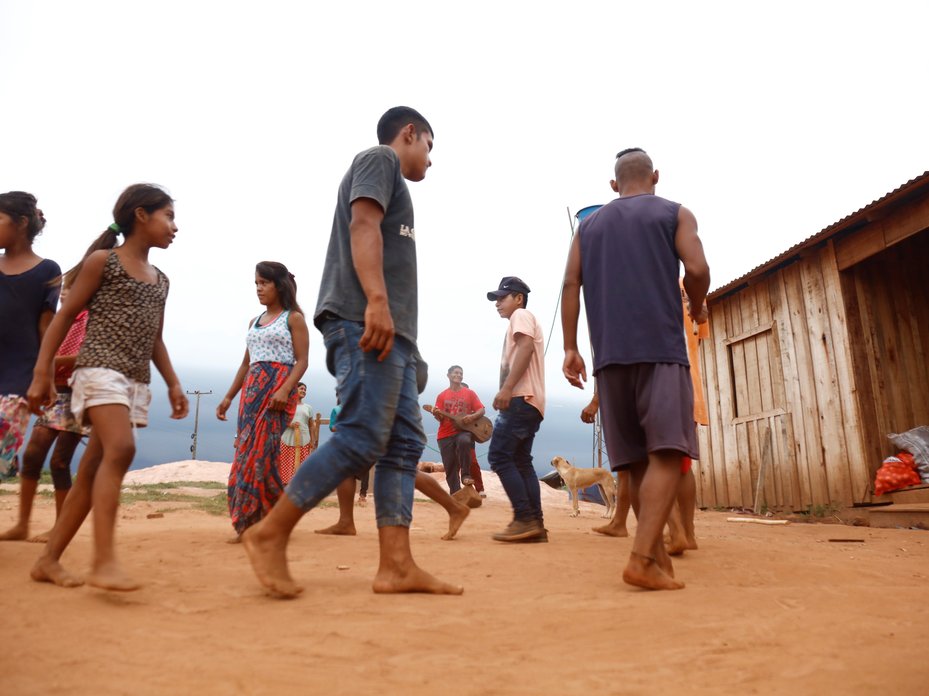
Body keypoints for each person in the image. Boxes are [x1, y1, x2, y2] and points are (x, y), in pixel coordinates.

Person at [240, 106, 462, 598]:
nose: (430, 159)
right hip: (364, 323)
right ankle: (270, 533)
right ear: (410, 134)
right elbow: (363, 225)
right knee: (361, 437)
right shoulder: (379, 158)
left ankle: (397, 565)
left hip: (393, 335)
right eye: (429, 145)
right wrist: (377, 303)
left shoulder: (394, 181)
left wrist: (408, 341)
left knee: (403, 447)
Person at [27, 183, 189, 591]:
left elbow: (155, 339)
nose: (174, 226)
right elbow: (63, 319)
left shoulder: (161, 279)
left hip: (134, 380)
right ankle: (104, 560)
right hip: (98, 370)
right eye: (168, 215)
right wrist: (42, 372)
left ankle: (47, 561)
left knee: (93, 470)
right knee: (122, 448)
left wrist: (173, 384)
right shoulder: (104, 262)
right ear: (140, 215)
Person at [561, 148, 710, 591]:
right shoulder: (674, 213)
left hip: (609, 358)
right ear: (656, 176)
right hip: (661, 350)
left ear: (613, 186)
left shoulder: (588, 226)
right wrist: (697, 307)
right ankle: (643, 558)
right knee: (667, 452)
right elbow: (698, 268)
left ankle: (657, 557)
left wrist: (571, 348)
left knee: (633, 463)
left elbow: (571, 283)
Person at [217, 262, 309, 540]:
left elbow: (302, 361)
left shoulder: (293, 318)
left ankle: (267, 522)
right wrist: (228, 397)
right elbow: (246, 364)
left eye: (264, 283)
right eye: (256, 283)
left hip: (278, 393)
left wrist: (284, 390)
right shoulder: (254, 322)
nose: (259, 288)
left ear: (278, 285)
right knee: (245, 455)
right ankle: (249, 521)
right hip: (252, 395)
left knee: (263, 456)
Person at [0, 277, 89, 543]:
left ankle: (60, 529)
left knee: (59, 462)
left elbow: (82, 357)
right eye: (63, 290)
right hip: (55, 392)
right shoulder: (61, 320)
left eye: (71, 289)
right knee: (33, 455)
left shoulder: (88, 319)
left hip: (77, 394)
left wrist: (46, 360)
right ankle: (22, 524)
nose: (64, 294)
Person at [0, 192, 60, 479]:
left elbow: (46, 329)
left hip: (17, 383)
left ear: (21, 223)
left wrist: (45, 378)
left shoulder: (47, 271)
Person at [486, 276, 547, 542]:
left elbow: (525, 348)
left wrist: (507, 389)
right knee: (521, 461)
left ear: (518, 298)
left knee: (499, 457)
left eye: (502, 297)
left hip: (521, 398)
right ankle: (536, 525)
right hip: (532, 401)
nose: (498, 303)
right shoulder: (522, 318)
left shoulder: (521, 315)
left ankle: (524, 518)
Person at [432, 366, 485, 493]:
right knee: (450, 466)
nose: (459, 375)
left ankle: (466, 476)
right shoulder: (441, 395)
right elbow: (440, 419)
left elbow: (481, 409)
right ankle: (456, 494)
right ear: (448, 375)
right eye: (456, 372)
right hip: (445, 434)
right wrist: (437, 414)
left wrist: (471, 417)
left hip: (463, 431)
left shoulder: (470, 393)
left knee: (465, 441)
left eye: (461, 373)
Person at [279, 382, 312, 486]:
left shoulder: (308, 407)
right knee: (286, 466)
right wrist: (290, 424)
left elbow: (312, 425)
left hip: (304, 440)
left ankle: (299, 492)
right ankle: (285, 491)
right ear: (295, 390)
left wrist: (313, 440)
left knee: (303, 466)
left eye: (305, 390)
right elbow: (280, 420)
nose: (303, 391)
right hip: (288, 440)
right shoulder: (287, 405)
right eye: (301, 388)